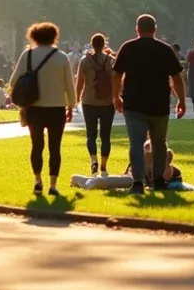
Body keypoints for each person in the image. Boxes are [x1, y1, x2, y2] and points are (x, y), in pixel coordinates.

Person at [111, 14, 187, 194]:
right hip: (159, 104)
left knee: (136, 143)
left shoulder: (127, 48)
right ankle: (159, 180)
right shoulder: (165, 49)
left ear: (137, 28)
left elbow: (116, 75)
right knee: (159, 143)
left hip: (134, 104)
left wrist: (116, 97)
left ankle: (137, 181)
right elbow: (176, 78)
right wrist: (181, 100)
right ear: (155, 29)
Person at [9, 22, 75, 197]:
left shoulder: (27, 55)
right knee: (55, 147)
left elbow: (13, 81)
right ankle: (53, 185)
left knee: (36, 145)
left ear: (34, 36)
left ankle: (38, 181)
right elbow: (70, 85)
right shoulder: (61, 57)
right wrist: (71, 105)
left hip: (34, 108)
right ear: (54, 36)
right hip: (56, 107)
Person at [76, 33, 116, 176]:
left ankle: (93, 160)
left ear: (92, 44)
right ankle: (104, 166)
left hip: (89, 101)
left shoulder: (85, 61)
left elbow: (80, 81)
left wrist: (77, 98)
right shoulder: (111, 61)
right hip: (107, 102)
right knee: (106, 136)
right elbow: (116, 81)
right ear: (104, 44)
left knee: (90, 135)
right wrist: (116, 97)